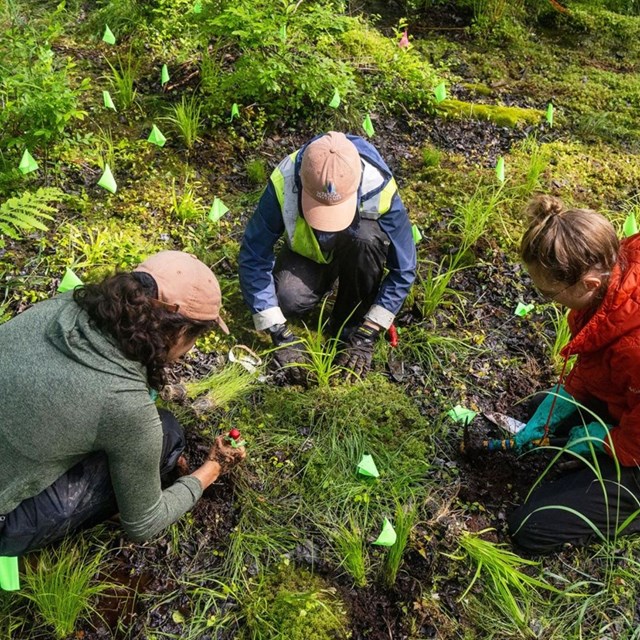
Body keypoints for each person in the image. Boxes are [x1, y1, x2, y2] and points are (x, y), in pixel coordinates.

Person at [0, 251, 246, 556]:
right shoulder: (125, 406)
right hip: (4, 520)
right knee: (167, 433)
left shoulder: (62, 305)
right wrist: (212, 468)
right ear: (181, 331)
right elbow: (144, 524)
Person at [506, 195, 640, 553]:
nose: (548, 301)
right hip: (633, 397)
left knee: (532, 526)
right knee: (541, 409)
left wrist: (605, 441)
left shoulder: (635, 347)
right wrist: (567, 397)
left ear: (588, 284)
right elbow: (600, 357)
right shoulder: (615, 274)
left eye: (551, 294)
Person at [238, 131, 416, 383]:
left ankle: (348, 325)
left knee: (367, 239)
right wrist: (278, 332)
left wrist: (370, 331)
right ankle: (322, 280)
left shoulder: (378, 185)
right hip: (310, 255)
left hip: (358, 250)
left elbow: (404, 269)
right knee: (286, 299)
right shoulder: (285, 179)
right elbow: (254, 254)